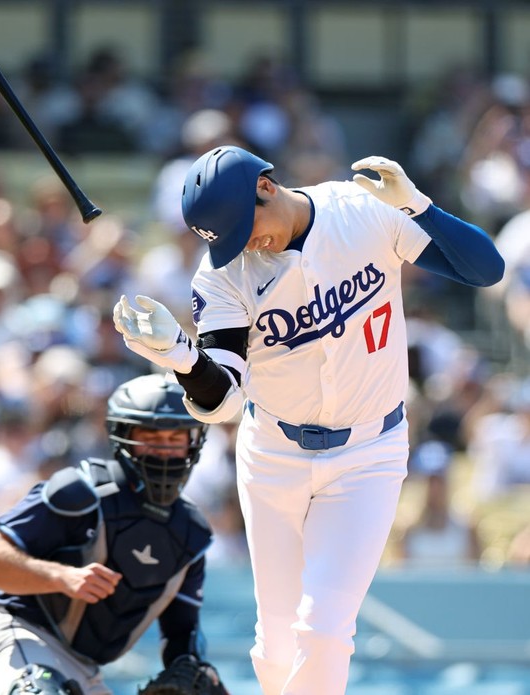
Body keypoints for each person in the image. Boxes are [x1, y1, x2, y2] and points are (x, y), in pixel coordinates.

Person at [112, 145, 505, 695]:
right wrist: (182, 357)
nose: (246, 243)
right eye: (227, 240)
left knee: (322, 631)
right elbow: (224, 399)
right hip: (273, 455)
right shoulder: (223, 276)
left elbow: (487, 270)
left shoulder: (363, 209)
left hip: (369, 453)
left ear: (266, 187)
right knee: (275, 645)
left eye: (245, 227)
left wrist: (418, 206)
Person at [0, 373, 228, 695]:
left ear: (194, 441)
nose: (164, 449)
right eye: (151, 435)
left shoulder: (191, 534)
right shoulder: (79, 492)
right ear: (122, 435)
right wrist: (62, 576)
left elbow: (181, 636)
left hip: (84, 670)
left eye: (176, 438)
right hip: (19, 637)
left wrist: (192, 672)